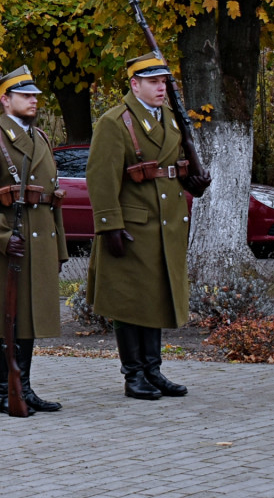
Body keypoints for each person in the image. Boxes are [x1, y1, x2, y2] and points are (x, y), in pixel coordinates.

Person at [85, 52, 192, 401]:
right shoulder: (115, 122)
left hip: (165, 226)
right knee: (130, 303)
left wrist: (194, 180)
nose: (161, 87)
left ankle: (152, 370)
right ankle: (133, 375)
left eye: (163, 81)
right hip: (134, 226)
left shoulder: (171, 120)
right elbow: (101, 179)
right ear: (135, 84)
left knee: (154, 298)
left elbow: (175, 166)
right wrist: (109, 226)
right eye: (153, 82)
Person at [0, 65, 69, 417]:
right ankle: (4, 392)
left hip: (37, 243)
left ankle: (23, 387)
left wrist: (60, 248)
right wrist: (1, 235)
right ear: (5, 100)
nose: (33, 100)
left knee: (28, 317)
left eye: (35, 95)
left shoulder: (39, 138)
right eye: (26, 95)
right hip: (7, 246)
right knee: (4, 318)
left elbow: (52, 197)